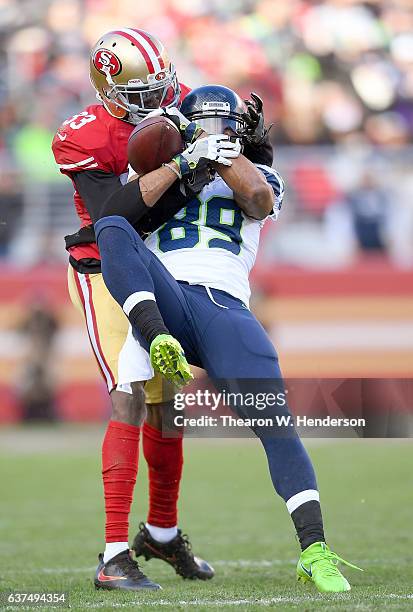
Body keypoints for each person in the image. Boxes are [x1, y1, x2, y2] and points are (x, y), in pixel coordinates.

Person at [95, 85, 363, 594]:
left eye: (227, 125)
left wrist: (224, 153)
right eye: (206, 125)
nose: (217, 133)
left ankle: (314, 549)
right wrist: (185, 159)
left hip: (224, 307)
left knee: (275, 423)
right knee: (111, 228)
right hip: (164, 297)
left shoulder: (261, 174)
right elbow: (117, 214)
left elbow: (258, 199)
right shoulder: (163, 171)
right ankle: (154, 337)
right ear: (183, 129)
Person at [52, 29, 273, 591]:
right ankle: (113, 552)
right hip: (104, 268)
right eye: (143, 95)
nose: (161, 103)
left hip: (159, 267)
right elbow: (117, 221)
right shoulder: (84, 137)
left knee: (166, 407)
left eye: (163, 88)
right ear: (109, 90)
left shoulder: (185, 101)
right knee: (128, 395)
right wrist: (185, 167)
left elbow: (243, 167)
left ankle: (163, 533)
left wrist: (244, 146)